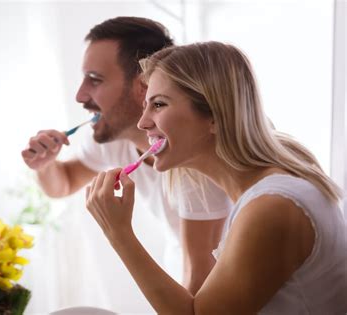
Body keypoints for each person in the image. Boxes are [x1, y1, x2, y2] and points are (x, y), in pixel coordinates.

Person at [85, 41, 347, 314]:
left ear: (215, 116)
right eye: (146, 105)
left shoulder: (273, 207)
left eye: (159, 104)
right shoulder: (274, 181)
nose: (143, 122)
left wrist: (119, 233)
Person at [21, 17, 232, 294]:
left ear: (144, 85)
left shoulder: (193, 158)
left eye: (95, 80)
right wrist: (45, 166)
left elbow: (201, 280)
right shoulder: (115, 135)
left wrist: (117, 232)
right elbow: (64, 182)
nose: (80, 95)